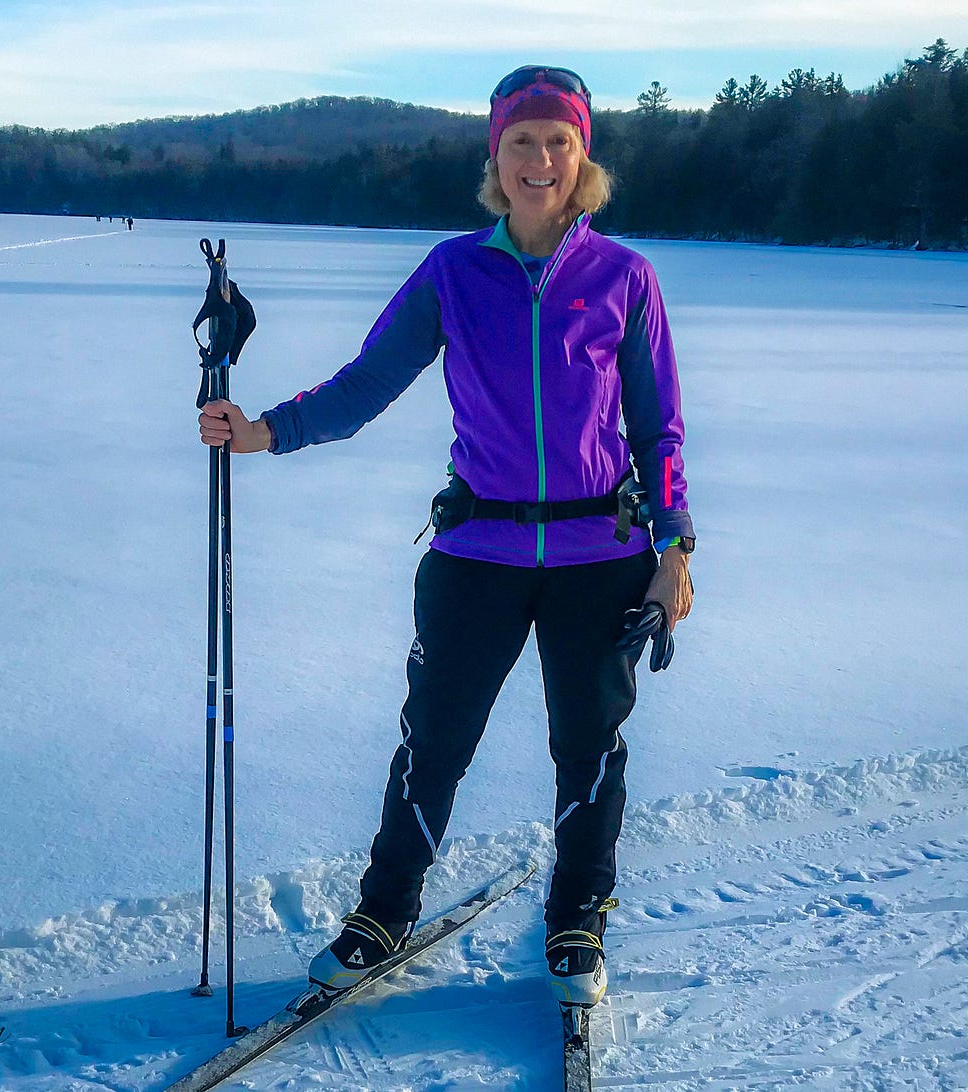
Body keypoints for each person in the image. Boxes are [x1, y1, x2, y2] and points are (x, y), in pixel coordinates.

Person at [198, 64, 693, 1010]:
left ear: (581, 157)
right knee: (434, 742)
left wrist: (675, 550)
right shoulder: (453, 273)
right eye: (521, 142)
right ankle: (385, 913)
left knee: (589, 746)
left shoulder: (626, 278)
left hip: (601, 558)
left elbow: (657, 428)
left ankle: (578, 915)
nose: (539, 160)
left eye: (558, 142)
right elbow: (365, 383)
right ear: (494, 158)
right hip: (477, 556)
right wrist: (264, 430)